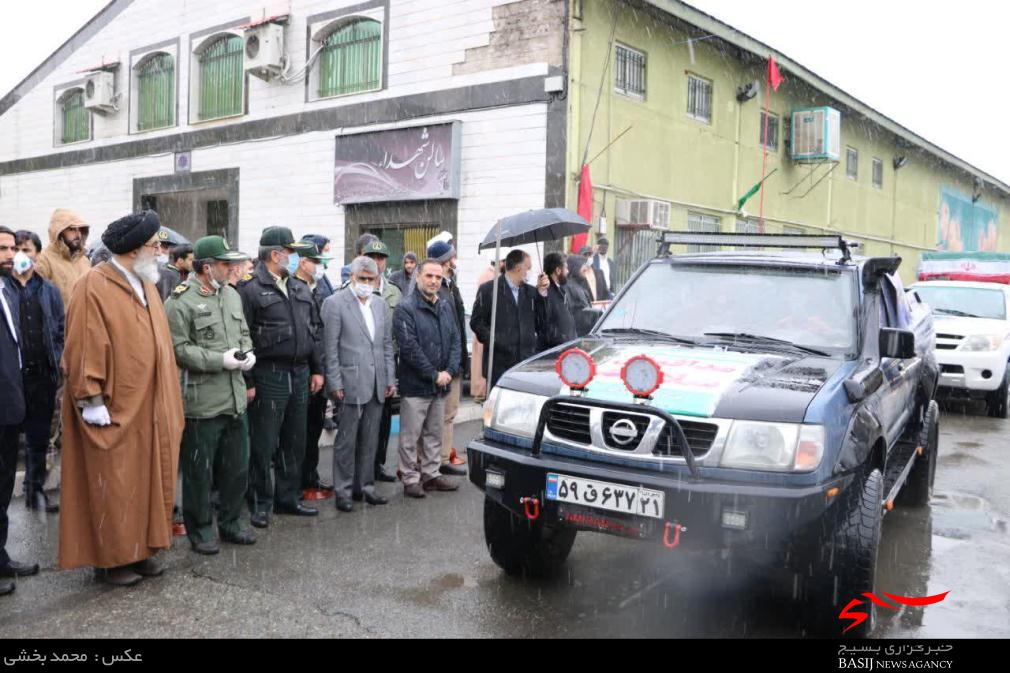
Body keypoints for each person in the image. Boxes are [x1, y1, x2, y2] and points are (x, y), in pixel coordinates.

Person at [58, 210, 185, 587]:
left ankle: (143, 548)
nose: (162, 251)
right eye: (155, 245)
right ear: (133, 250)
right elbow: (82, 345)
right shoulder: (93, 285)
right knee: (114, 485)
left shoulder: (146, 283)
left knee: (147, 480)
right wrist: (90, 398)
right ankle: (112, 560)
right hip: (114, 406)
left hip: (151, 406)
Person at [165, 236, 258, 555]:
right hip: (201, 401)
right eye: (226, 264)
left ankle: (231, 523)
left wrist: (247, 353)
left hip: (234, 399)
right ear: (207, 267)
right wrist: (219, 360)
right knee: (199, 473)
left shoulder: (232, 296)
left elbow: (243, 331)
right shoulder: (180, 300)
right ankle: (201, 529)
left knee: (236, 468)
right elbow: (178, 349)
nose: (233, 269)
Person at [238, 227, 323, 529]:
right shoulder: (249, 288)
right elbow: (241, 337)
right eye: (291, 251)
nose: (295, 256)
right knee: (264, 442)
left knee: (294, 439)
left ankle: (288, 497)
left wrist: (317, 369)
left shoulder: (299, 287)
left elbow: (313, 330)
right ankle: (260, 502)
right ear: (276, 254)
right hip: (268, 373)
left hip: (300, 372)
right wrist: (248, 382)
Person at [322, 256, 396, 512]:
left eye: (370, 279)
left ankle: (365, 486)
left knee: (370, 439)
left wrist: (389, 378)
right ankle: (342, 491)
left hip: (376, 381)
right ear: (352, 277)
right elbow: (329, 348)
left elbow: (386, 344)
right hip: (349, 380)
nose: (366, 283)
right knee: (346, 440)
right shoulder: (334, 303)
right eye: (362, 278)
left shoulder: (380, 305)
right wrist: (334, 382)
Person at [393, 259, 461, 498]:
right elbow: (409, 347)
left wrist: (450, 372)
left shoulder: (444, 305)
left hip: (440, 384)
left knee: (434, 433)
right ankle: (410, 477)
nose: (434, 281)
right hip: (417, 385)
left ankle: (431, 475)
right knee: (411, 436)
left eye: (438, 277)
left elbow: (455, 340)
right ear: (418, 277)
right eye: (429, 276)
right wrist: (434, 374)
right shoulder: (406, 308)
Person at [11, 231, 64, 513]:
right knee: (9, 443)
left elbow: (59, 329)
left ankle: (35, 492)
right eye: (16, 248)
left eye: (26, 249)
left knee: (39, 439)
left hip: (42, 377)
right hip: (13, 379)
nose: (21, 254)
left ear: (37, 254)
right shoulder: (5, 288)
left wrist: (54, 357)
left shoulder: (49, 291)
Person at [0, 226, 40, 596]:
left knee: (2, 490)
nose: (10, 254)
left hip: (10, 408)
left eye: (12, 248)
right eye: (2, 248)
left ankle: (0, 558)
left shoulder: (8, 290)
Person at [470, 249, 548, 391]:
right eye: (528, 268)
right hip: (499, 364)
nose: (530, 272)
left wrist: (542, 294)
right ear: (518, 268)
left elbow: (541, 323)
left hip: (525, 363)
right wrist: (495, 340)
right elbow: (476, 322)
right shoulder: (489, 290)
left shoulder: (530, 292)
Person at [294, 243, 335, 496]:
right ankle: (296, 482)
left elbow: (321, 330)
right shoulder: (293, 287)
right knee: (298, 433)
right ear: (303, 262)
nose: (320, 267)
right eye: (315, 261)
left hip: (320, 366)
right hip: (303, 369)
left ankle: (310, 476)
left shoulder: (319, 285)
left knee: (315, 428)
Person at [426, 239, 468, 475]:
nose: (455, 260)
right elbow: (446, 329)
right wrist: (450, 365)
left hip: (454, 361)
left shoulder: (451, 286)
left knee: (449, 414)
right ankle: (436, 462)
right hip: (444, 364)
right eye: (451, 256)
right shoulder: (438, 290)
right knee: (440, 416)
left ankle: (443, 458)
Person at [362, 240, 402, 483]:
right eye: (372, 256)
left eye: (381, 257)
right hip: (361, 362)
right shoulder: (353, 287)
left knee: (385, 417)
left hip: (387, 361)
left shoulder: (394, 291)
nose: (377, 262)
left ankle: (378, 464)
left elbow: (398, 330)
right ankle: (362, 467)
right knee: (363, 418)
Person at [34, 209, 91, 308]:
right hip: (61, 322)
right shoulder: (43, 260)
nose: (78, 235)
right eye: (72, 229)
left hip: (85, 321)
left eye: (80, 230)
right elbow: (36, 302)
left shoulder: (84, 261)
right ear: (58, 231)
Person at [540, 252, 577, 349]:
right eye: (566, 268)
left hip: (567, 347)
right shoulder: (546, 293)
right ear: (558, 270)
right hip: (556, 350)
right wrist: (564, 340)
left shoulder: (561, 289)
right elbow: (546, 325)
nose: (568, 271)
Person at [565, 255, 602, 336]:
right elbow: (578, 313)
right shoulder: (569, 287)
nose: (586, 268)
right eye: (583, 266)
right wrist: (598, 313)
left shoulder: (579, 285)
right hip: (578, 336)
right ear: (575, 268)